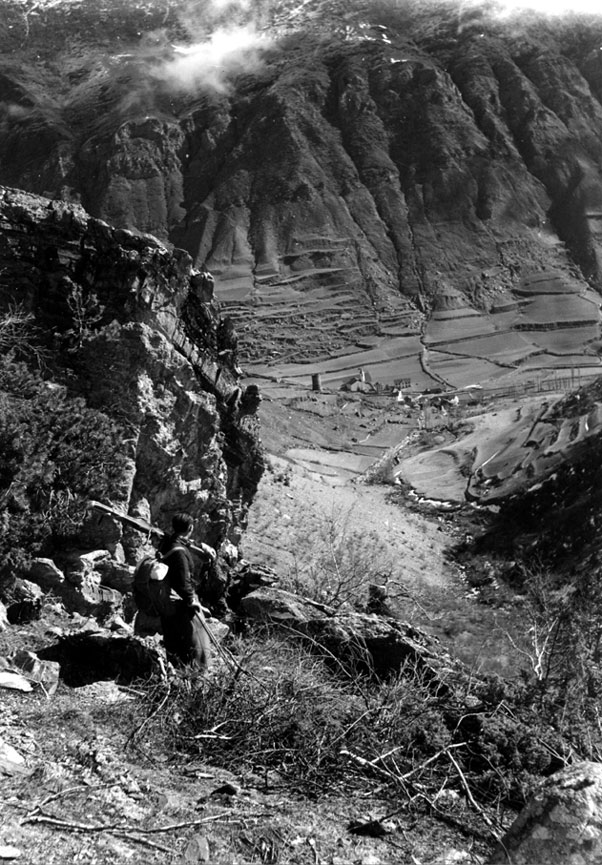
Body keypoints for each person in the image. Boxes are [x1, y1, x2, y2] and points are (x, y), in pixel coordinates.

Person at [157, 513, 211, 673]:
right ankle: (196, 681)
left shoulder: (168, 543)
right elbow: (183, 580)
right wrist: (191, 600)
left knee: (174, 645)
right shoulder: (179, 552)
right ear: (190, 528)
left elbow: (186, 543)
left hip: (168, 602)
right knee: (196, 646)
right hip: (181, 606)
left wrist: (201, 546)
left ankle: (176, 679)